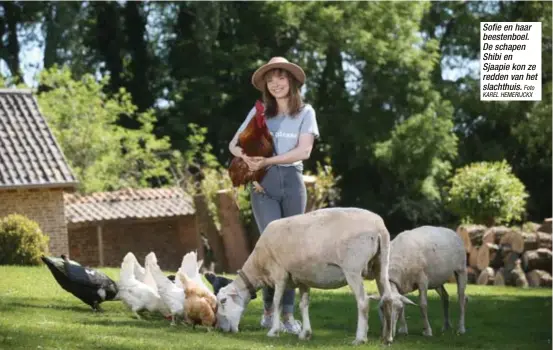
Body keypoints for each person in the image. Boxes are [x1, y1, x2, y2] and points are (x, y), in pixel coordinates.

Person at [228, 56, 320, 334]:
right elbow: (233, 144)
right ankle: (269, 312)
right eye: (270, 80)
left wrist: (267, 161)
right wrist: (250, 158)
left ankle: (289, 315)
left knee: (291, 251)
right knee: (271, 248)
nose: (275, 83)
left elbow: (304, 151)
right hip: (262, 185)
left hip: (292, 182)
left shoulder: (305, 112)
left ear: (291, 81)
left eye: (280, 77)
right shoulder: (259, 113)